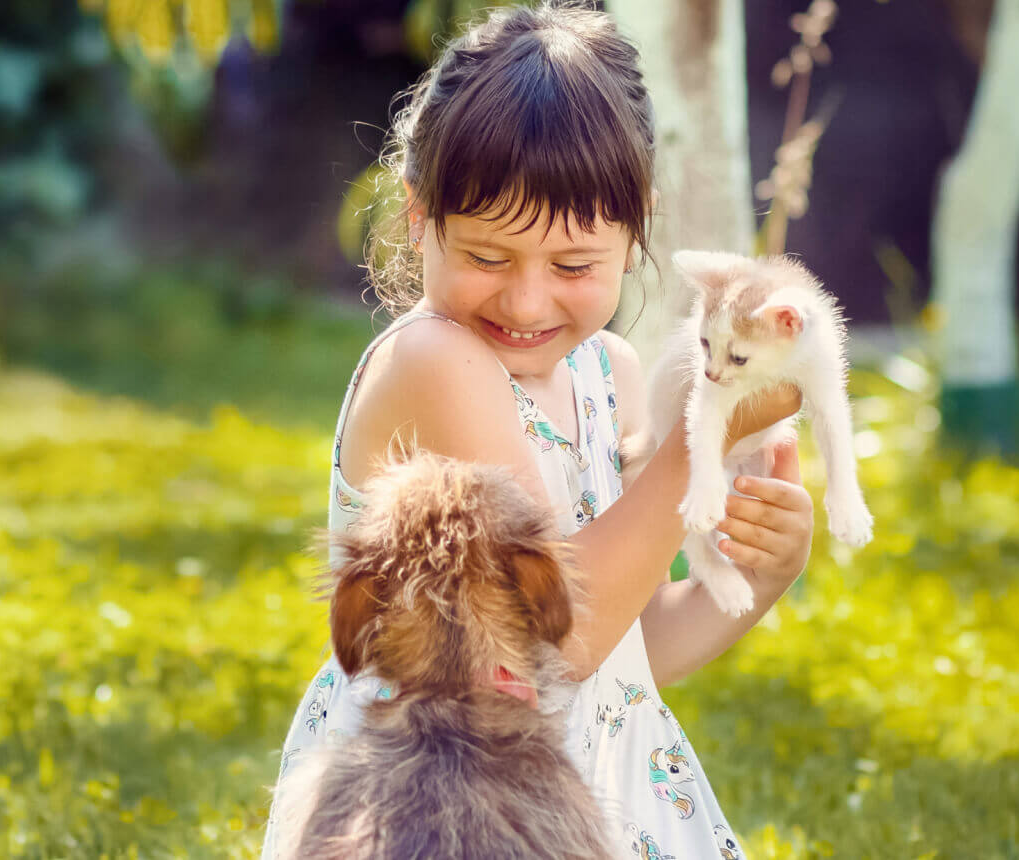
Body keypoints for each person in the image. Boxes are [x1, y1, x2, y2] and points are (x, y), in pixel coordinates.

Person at [262, 4, 815, 856]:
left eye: (573, 266)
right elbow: (557, 639)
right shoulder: (433, 362)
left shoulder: (610, 377)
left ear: (636, 233)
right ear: (419, 217)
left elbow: (628, 651)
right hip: (444, 810)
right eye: (487, 257)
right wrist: (701, 437)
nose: (525, 302)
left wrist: (752, 580)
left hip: (598, 789)